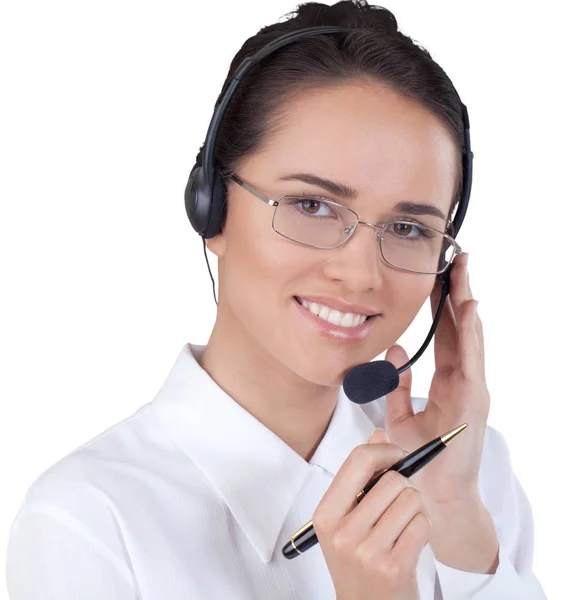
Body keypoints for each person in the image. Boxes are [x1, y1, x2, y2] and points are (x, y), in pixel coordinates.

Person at [6, 1, 547, 599]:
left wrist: (454, 510)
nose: (360, 274)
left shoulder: (467, 468)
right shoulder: (89, 523)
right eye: (312, 206)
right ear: (210, 207)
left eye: (408, 228)